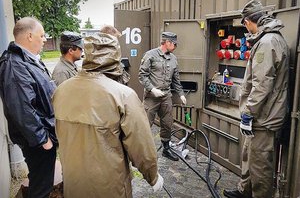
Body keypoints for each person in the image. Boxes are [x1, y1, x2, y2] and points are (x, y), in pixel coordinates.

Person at [52, 33, 163, 198]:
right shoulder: (123, 95)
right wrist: (152, 176)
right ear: (115, 57)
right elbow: (140, 145)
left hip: (73, 181)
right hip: (109, 185)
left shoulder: (61, 90)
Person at [223, 0, 289, 198]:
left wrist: (248, 113)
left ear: (249, 21)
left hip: (263, 117)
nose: (246, 27)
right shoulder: (265, 40)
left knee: (260, 165)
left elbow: (262, 85)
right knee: (248, 157)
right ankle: (245, 191)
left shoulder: (267, 42)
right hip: (258, 116)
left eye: (244, 23)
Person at [0, 17, 57, 198]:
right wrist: (43, 139)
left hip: (42, 136)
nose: (45, 39)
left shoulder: (28, 60)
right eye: (42, 36)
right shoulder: (15, 64)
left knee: (41, 181)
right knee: (41, 188)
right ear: (30, 36)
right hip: (38, 141)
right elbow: (21, 109)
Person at [138, 32, 187, 161]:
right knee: (145, 124)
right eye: (174, 43)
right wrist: (152, 89)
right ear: (167, 42)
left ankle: (166, 149)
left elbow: (176, 80)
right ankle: (141, 153)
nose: (175, 46)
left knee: (167, 123)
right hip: (151, 97)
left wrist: (181, 94)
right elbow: (142, 75)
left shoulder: (173, 59)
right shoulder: (150, 55)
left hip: (166, 96)